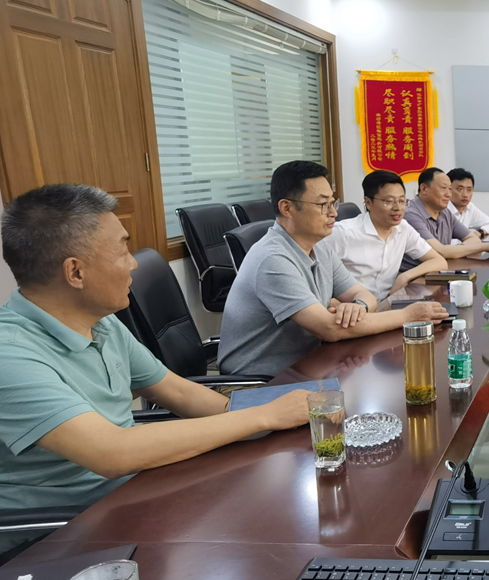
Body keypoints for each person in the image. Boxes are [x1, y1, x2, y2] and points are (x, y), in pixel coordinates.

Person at [0, 184, 314, 555]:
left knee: (281, 506)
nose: (132, 263)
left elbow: (177, 392)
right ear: (76, 272)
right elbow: (112, 452)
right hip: (59, 537)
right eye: (122, 250)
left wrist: (272, 418)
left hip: (135, 493)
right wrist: (262, 417)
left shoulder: (99, 321)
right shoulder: (10, 354)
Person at [218, 161, 447, 377]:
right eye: (322, 205)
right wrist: (408, 316)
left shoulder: (319, 247)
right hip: (261, 382)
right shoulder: (272, 259)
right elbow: (329, 329)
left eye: (332, 203)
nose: (333, 213)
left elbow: (364, 295)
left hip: (311, 363)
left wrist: (357, 307)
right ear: (287, 208)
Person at [328, 170, 448, 301]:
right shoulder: (342, 233)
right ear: (368, 203)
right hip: (355, 308)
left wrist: (404, 277)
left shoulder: (403, 228)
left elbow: (439, 261)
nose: (397, 208)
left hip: (389, 303)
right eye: (389, 201)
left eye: (402, 200)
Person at [403, 167, 489, 270]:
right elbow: (439, 252)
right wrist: (485, 247)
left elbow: (473, 239)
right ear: (424, 189)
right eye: (443, 188)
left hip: (440, 271)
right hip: (412, 276)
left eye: (450, 189)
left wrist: (453, 252)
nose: (448, 194)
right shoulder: (411, 214)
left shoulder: (444, 212)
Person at [447, 167, 489, 239]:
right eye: (460, 189)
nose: (465, 195)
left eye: (469, 190)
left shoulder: (469, 207)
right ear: (448, 189)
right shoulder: (441, 209)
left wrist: (480, 232)